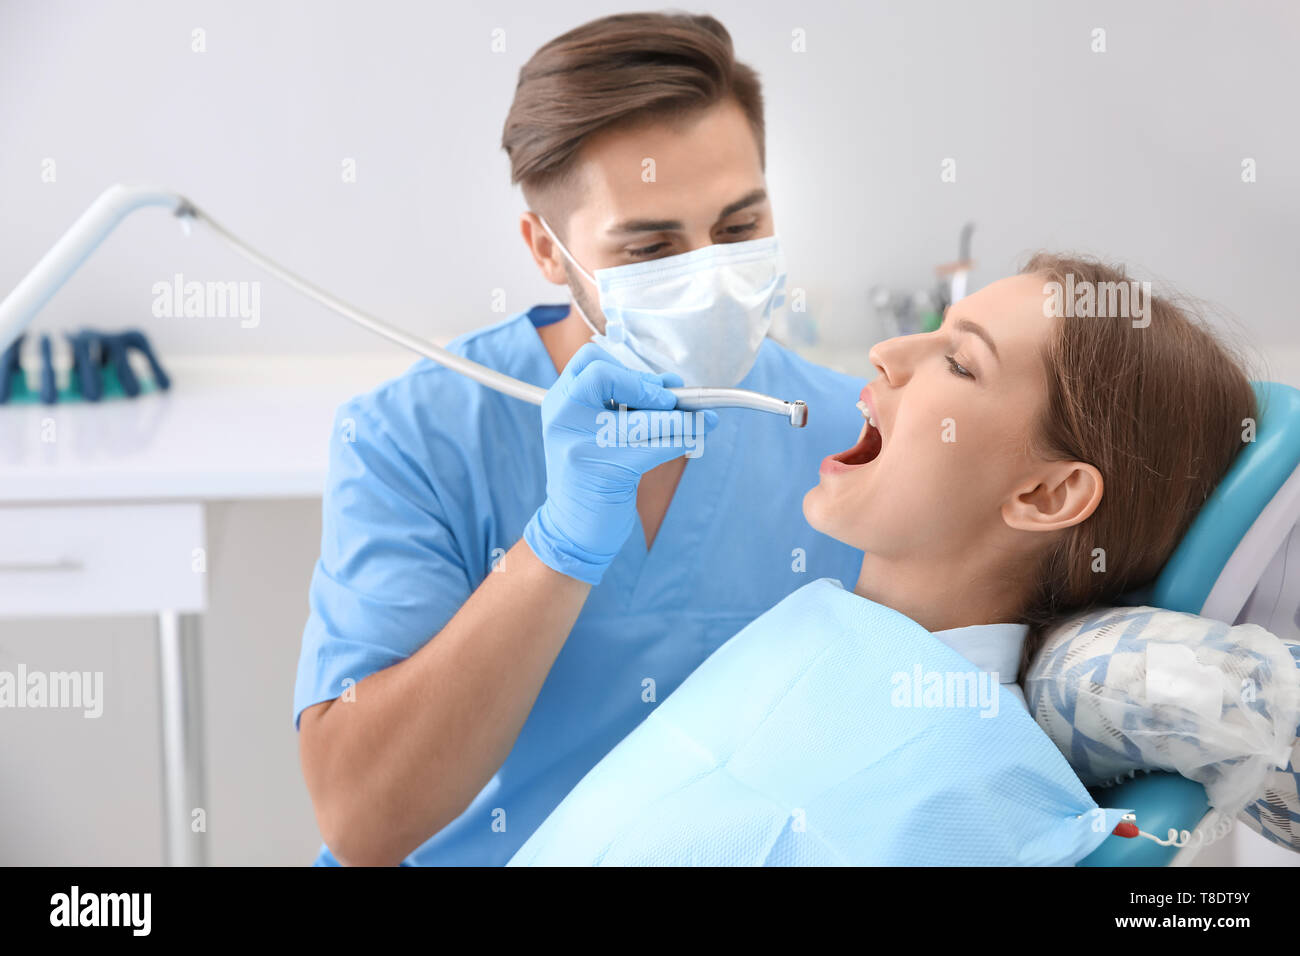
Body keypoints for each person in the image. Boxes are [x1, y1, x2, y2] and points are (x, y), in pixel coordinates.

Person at [294, 12, 866, 866]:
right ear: (547, 251)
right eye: (651, 246)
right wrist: (557, 549)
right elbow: (362, 820)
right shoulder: (416, 436)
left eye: (740, 228)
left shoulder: (850, 431)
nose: (709, 275)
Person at [509, 254, 1260, 865]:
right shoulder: (825, 631)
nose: (887, 353)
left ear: (1046, 494)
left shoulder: (962, 787)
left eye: (960, 363)